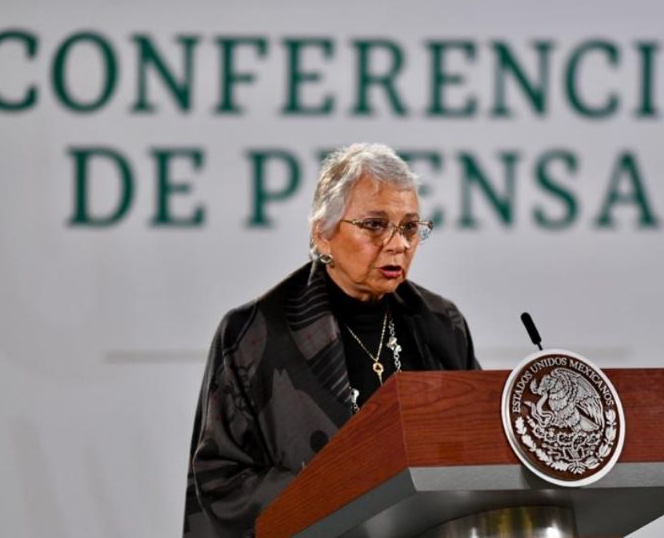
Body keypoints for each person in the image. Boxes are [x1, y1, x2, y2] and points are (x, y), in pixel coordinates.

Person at [182, 143, 480, 537]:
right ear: (323, 233)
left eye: (410, 227)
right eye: (375, 225)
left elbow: (476, 450)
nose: (399, 244)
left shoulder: (441, 324)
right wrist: (336, 492)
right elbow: (221, 481)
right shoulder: (255, 333)